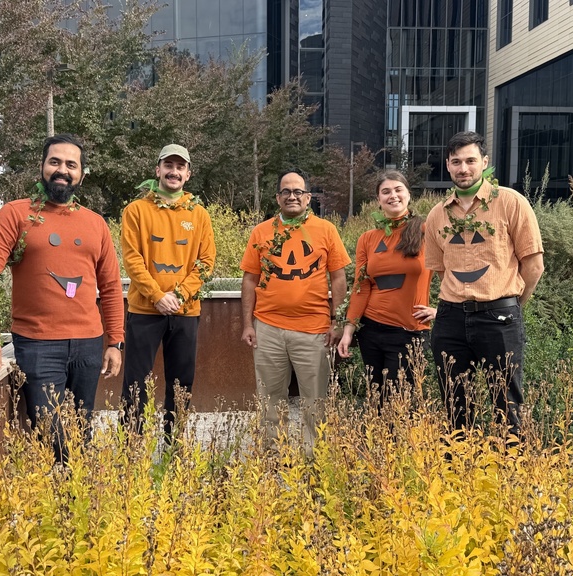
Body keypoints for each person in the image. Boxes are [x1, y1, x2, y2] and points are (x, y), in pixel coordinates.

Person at [0, 133, 125, 462]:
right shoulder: (16, 214)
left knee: (80, 430)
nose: (62, 170)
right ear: (42, 166)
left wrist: (115, 341)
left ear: (81, 174)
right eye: (54, 161)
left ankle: (76, 502)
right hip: (38, 344)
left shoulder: (95, 223)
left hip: (88, 342)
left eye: (71, 164)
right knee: (49, 431)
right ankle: (54, 496)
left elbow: (111, 286)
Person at [424, 131, 544, 440]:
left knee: (506, 405)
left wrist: (514, 306)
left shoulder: (510, 202)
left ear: (484, 162)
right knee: (454, 405)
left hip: (499, 317)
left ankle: (509, 476)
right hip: (450, 319)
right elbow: (442, 270)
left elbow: (533, 265)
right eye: (456, 162)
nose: (463, 168)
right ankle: (458, 475)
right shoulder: (438, 215)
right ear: (448, 167)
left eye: (470, 161)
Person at [240, 169, 351, 454]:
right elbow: (250, 279)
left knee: (315, 399)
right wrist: (248, 324)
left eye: (298, 191)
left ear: (308, 197)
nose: (292, 196)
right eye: (286, 191)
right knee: (269, 398)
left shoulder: (326, 230)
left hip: (314, 330)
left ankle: (314, 459)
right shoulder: (261, 231)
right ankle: (272, 454)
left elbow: (338, 278)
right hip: (268, 327)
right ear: (278, 198)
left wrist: (337, 320)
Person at [120, 144, 216, 435]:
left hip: (185, 312)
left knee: (181, 381)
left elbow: (206, 261)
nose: (174, 172)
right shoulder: (136, 211)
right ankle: (132, 446)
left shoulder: (199, 215)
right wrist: (157, 295)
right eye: (168, 166)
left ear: (188, 174)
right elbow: (132, 258)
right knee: (136, 382)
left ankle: (176, 442)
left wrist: (180, 295)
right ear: (157, 170)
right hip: (144, 310)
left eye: (180, 167)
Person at [337, 170, 436, 399]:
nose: (393, 195)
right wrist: (348, 330)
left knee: (399, 402)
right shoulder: (368, 238)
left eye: (398, 189)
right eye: (386, 191)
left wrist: (441, 311)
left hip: (409, 332)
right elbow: (361, 287)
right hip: (371, 331)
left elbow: (456, 269)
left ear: (409, 194)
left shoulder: (426, 231)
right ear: (378, 199)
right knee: (375, 400)